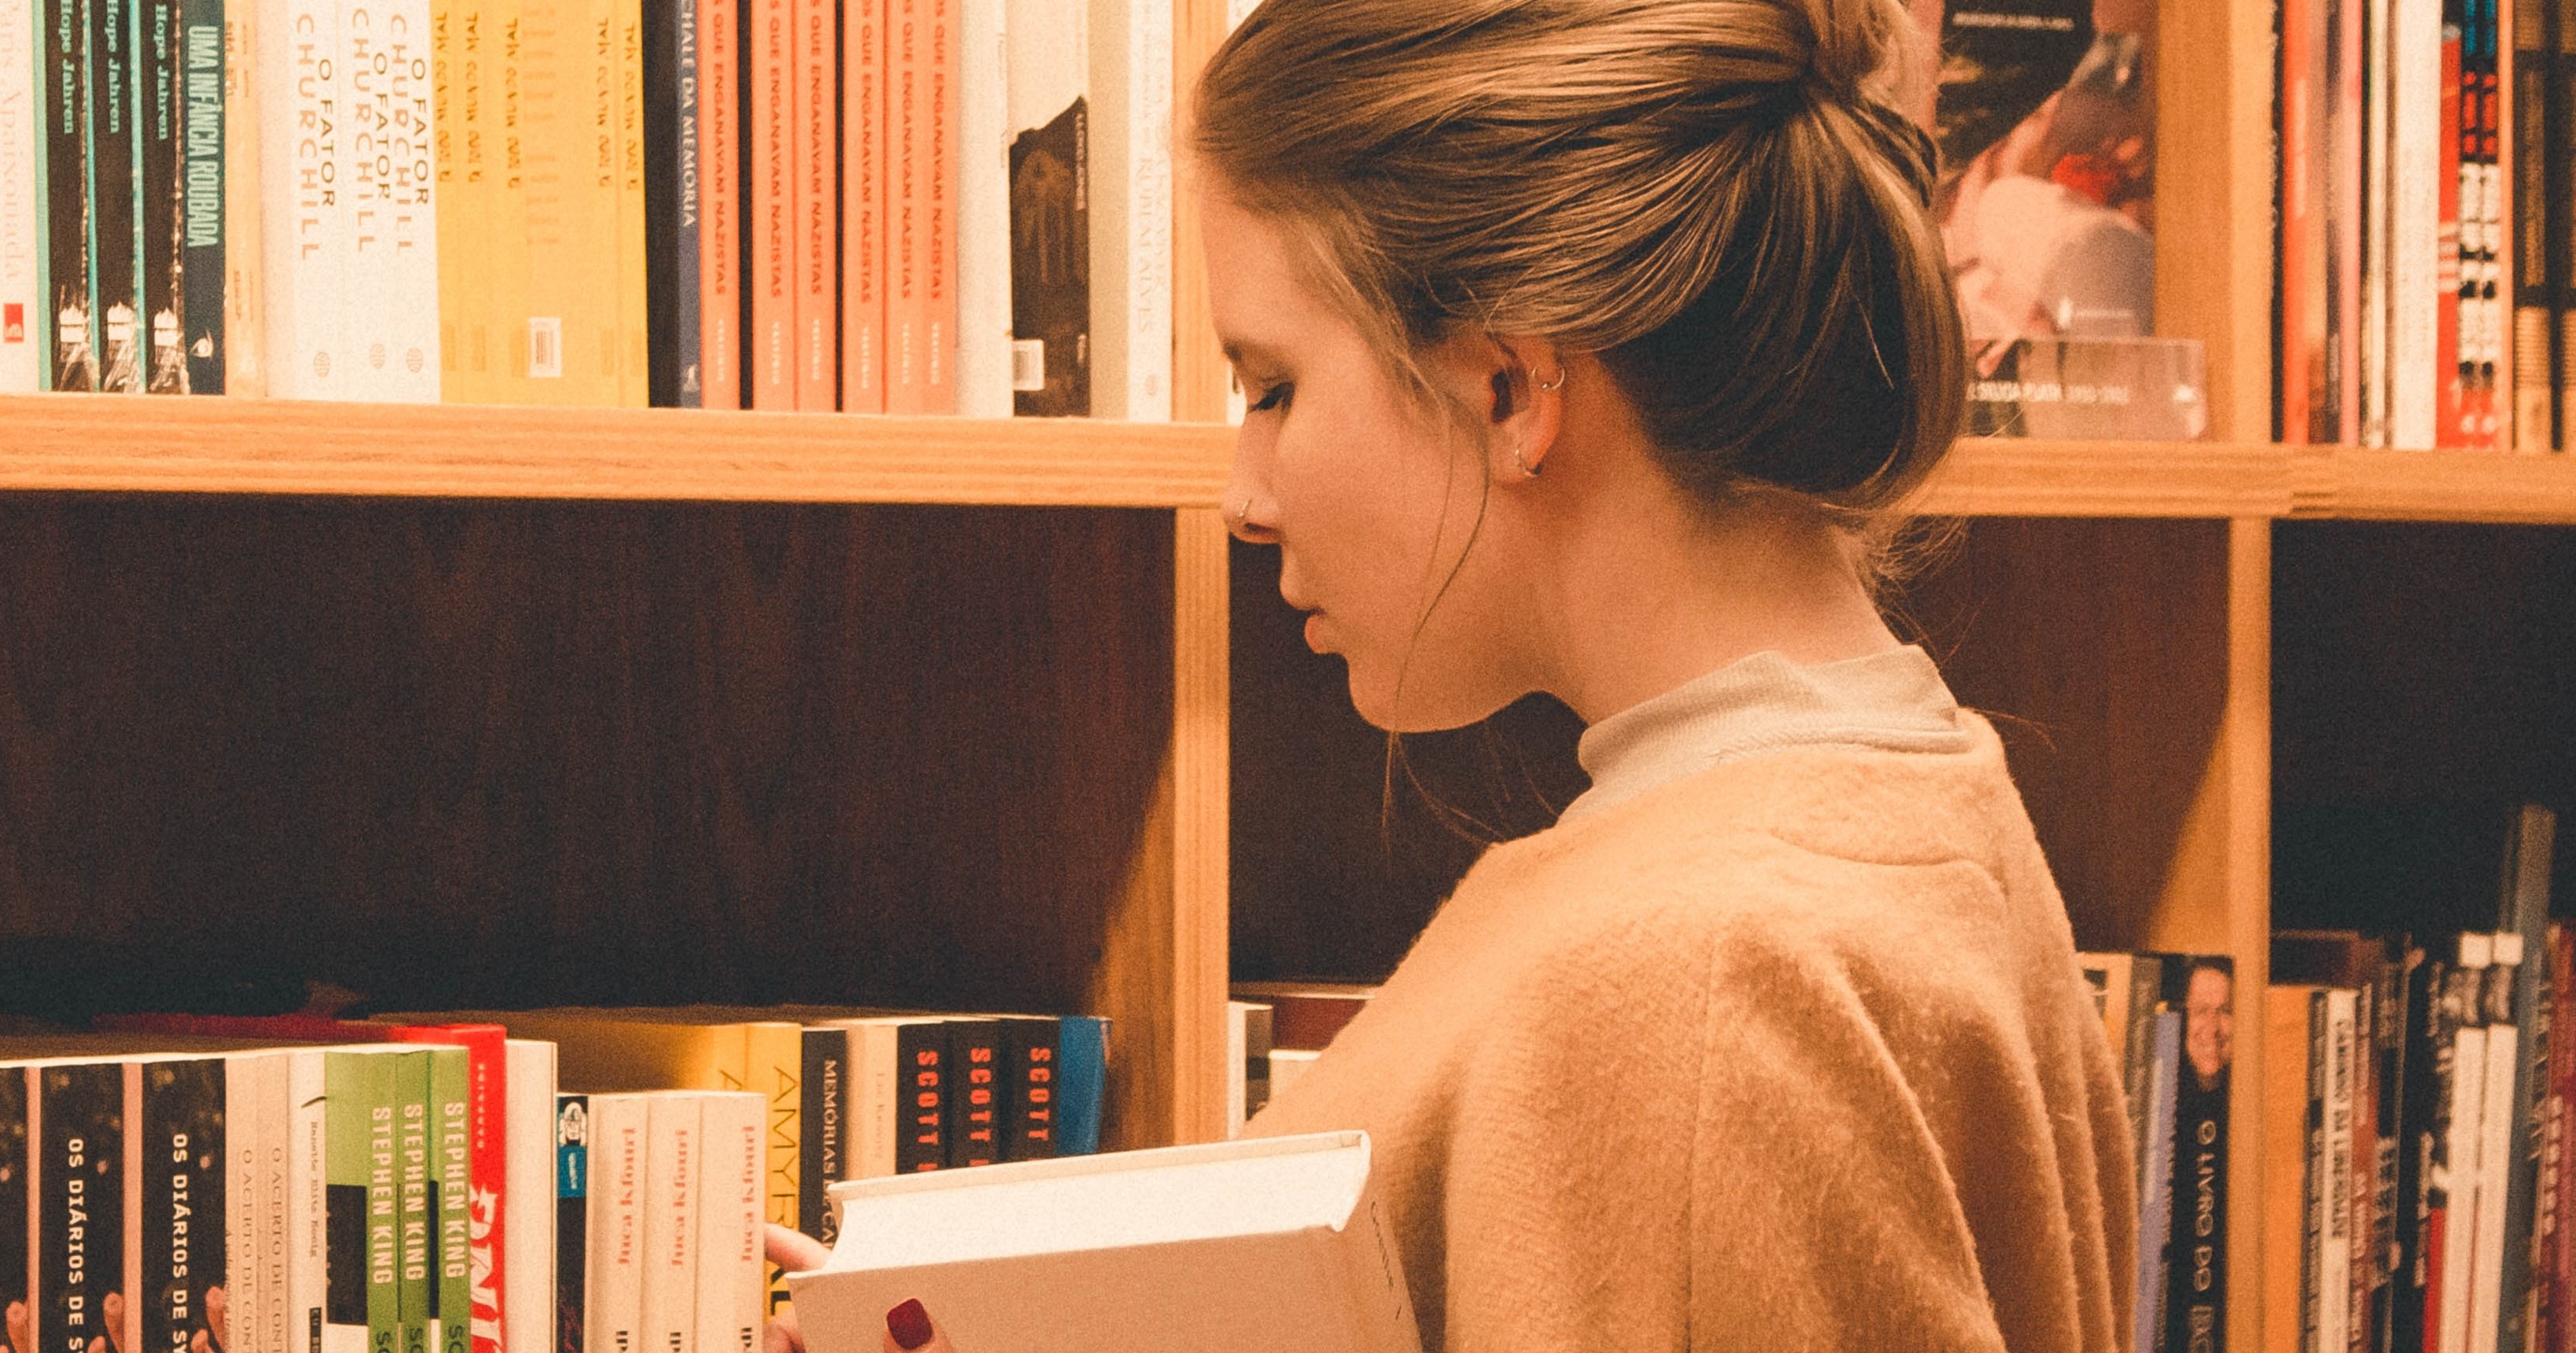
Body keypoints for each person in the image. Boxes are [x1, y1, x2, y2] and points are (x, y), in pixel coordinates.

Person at [768, 0, 2136, 1348]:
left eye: (1273, 386)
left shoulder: (1697, 979)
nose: (1243, 496)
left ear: (1510, 389)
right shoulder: (1907, 799)